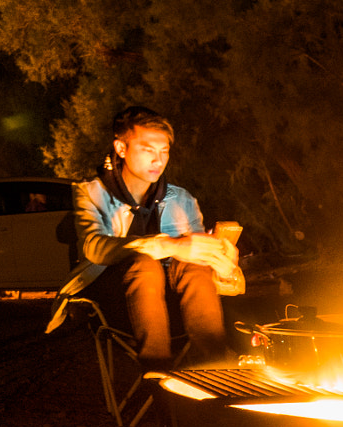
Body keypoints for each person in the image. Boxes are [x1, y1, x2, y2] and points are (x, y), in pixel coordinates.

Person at [72, 106, 238, 368]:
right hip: (116, 302)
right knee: (145, 264)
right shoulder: (92, 193)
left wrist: (223, 264)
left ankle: (215, 370)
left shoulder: (181, 199)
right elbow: (93, 247)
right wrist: (165, 245)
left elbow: (207, 266)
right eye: (147, 150)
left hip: (174, 303)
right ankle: (157, 372)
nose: (158, 161)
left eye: (164, 152)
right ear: (121, 149)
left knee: (195, 266)